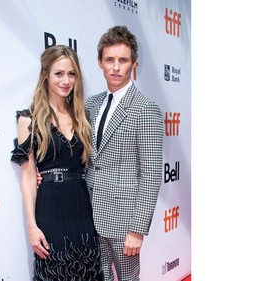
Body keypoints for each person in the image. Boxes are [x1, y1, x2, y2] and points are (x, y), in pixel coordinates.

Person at [11, 45, 103, 280]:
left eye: (71, 74)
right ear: (45, 74)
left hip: (81, 206)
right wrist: (32, 226)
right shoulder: (29, 119)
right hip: (50, 208)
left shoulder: (81, 116)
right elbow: (29, 176)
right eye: (59, 73)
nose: (66, 80)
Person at [84, 25, 164, 281]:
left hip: (124, 222)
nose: (116, 67)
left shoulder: (145, 109)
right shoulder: (91, 104)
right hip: (89, 214)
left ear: (134, 64)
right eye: (110, 60)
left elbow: (151, 173)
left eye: (123, 60)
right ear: (100, 62)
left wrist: (137, 229)